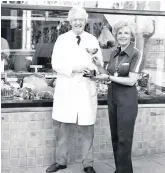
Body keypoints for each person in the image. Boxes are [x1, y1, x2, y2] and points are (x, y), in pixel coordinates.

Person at [46, 6, 103, 173]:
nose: (78, 22)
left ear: (85, 22)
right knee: (63, 128)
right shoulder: (62, 39)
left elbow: (99, 64)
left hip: (86, 89)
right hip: (67, 88)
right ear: (70, 22)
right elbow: (56, 63)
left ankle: (88, 164)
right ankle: (60, 161)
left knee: (87, 129)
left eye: (81, 19)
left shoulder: (92, 40)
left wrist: (93, 71)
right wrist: (74, 68)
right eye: (75, 20)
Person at [92, 21, 142, 173]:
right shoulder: (114, 53)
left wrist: (109, 79)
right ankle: (120, 169)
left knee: (124, 139)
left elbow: (131, 80)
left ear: (131, 36)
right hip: (112, 97)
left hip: (127, 99)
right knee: (115, 137)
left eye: (126, 33)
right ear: (116, 35)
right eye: (120, 33)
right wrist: (99, 66)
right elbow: (108, 75)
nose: (122, 36)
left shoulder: (136, 53)